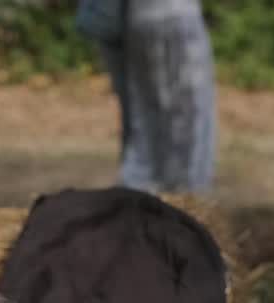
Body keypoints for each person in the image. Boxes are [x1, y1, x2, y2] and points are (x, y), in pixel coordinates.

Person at [76, 0, 218, 192]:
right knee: (187, 125)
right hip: (168, 15)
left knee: (144, 122)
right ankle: (179, 196)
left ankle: (145, 197)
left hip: (128, 19)